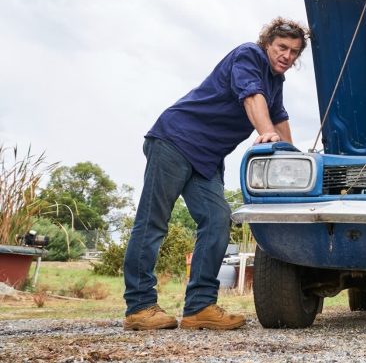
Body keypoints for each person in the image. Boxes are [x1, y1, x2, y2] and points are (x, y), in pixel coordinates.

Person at [123, 18, 309, 330]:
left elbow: (279, 119)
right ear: (268, 45)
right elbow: (253, 98)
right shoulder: (248, 56)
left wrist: (295, 161)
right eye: (282, 47)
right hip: (174, 140)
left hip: (206, 158)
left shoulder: (276, 83)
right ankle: (139, 307)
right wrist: (265, 134)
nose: (287, 56)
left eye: (294, 52)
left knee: (218, 219)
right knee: (153, 221)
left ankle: (199, 308)